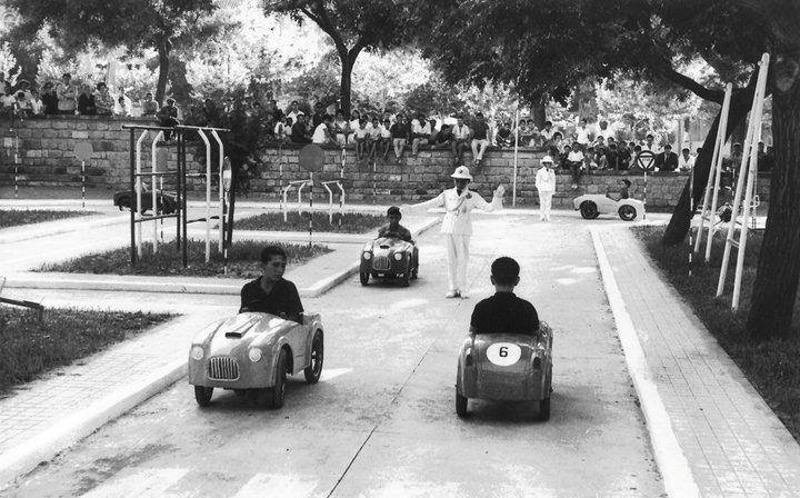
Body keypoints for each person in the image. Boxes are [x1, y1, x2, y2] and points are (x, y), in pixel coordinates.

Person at [404, 165, 504, 298]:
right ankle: (453, 288)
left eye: (463, 180)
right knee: (451, 260)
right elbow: (430, 204)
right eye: (457, 180)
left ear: (468, 182)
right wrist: (410, 208)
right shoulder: (446, 194)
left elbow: (489, 208)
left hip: (463, 232)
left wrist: (497, 198)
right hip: (449, 230)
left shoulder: (473, 196)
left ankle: (463, 289)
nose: (459, 183)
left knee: (463, 260)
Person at [470, 257, 539, 336]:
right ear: (517, 281)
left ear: (492, 280)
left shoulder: (481, 307)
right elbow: (536, 338)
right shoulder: (527, 308)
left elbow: (471, 336)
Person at [239, 245, 304, 323]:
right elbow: (243, 318)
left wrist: (285, 319)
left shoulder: (288, 288)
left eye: (283, 266)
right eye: (275, 265)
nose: (280, 270)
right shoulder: (249, 289)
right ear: (263, 266)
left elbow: (297, 320)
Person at [535, 155, 557, 221]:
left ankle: (547, 216)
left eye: (549, 163)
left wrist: (553, 189)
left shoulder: (552, 171)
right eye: (547, 163)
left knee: (548, 203)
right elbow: (537, 181)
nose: (548, 164)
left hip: (549, 188)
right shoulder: (540, 171)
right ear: (544, 163)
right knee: (542, 202)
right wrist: (539, 188)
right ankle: (542, 216)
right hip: (542, 188)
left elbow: (553, 181)